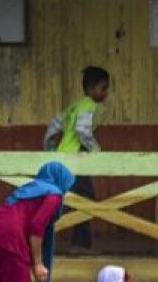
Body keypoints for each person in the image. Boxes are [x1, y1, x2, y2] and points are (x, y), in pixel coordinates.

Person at [43, 66, 110, 253]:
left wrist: (50, 150)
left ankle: (76, 244)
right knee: (82, 202)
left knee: (66, 201)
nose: (106, 93)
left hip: (63, 159)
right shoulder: (89, 105)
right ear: (90, 89)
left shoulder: (74, 105)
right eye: (103, 88)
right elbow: (82, 130)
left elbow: (53, 127)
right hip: (76, 162)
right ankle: (74, 243)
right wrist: (96, 151)